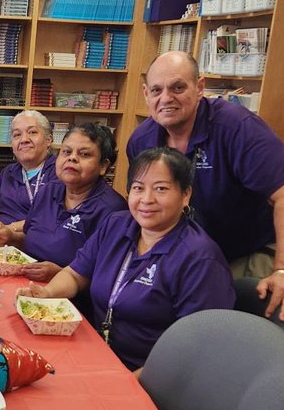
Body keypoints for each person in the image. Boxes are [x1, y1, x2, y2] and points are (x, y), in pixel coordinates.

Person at [127, 51, 284, 323]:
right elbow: (140, 202)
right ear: (146, 93)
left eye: (178, 87)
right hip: (183, 248)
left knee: (215, 322)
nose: (166, 98)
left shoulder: (238, 128)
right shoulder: (142, 140)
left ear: (200, 88)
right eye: (156, 90)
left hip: (244, 248)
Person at [17, 148, 234, 372]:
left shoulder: (200, 258)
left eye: (160, 189)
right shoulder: (117, 224)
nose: (147, 199)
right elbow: (75, 273)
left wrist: (129, 382)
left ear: (185, 194)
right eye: (139, 188)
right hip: (94, 352)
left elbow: (194, 351)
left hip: (149, 375)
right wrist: (47, 294)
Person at [0, 123, 126, 282]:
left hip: (70, 299)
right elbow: (32, 236)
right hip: (25, 279)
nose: (72, 158)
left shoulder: (113, 211)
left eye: (84, 154)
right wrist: (11, 236)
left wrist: (61, 274)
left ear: (103, 166)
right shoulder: (48, 191)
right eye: (66, 152)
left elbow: (109, 279)